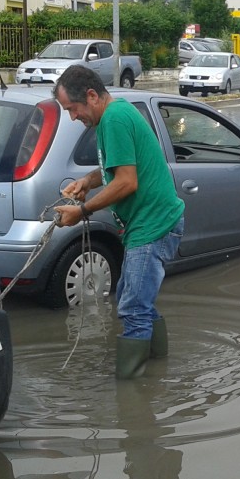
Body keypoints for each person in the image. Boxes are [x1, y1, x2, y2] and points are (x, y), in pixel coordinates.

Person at [52, 65, 185, 379]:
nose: (73, 117)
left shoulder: (114, 119)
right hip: (149, 222)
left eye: (72, 109)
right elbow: (118, 167)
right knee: (135, 296)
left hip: (152, 225)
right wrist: (88, 181)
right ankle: (156, 371)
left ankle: (132, 399)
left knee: (133, 307)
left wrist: (81, 212)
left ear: (92, 96)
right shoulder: (115, 115)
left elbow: (127, 182)